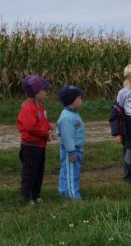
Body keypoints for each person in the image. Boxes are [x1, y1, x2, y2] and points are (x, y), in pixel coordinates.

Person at [17, 75, 54, 205]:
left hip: (40, 146)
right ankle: (27, 197)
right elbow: (31, 126)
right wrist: (45, 133)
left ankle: (36, 194)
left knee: (39, 172)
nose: (46, 93)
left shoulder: (40, 108)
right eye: (44, 90)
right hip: (30, 147)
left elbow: (42, 122)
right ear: (36, 92)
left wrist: (49, 127)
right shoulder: (28, 108)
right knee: (30, 173)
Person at [57, 85, 86, 200]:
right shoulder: (67, 117)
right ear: (71, 100)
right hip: (71, 151)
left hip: (75, 149)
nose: (81, 100)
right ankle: (73, 196)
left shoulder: (73, 113)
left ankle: (64, 191)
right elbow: (67, 137)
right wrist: (72, 152)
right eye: (79, 98)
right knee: (72, 174)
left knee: (67, 171)